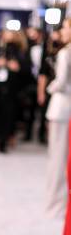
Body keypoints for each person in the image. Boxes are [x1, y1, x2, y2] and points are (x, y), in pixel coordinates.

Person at [45, 17, 71, 218]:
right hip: (66, 111)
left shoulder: (65, 53)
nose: (62, 30)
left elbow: (61, 82)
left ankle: (56, 206)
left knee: (57, 159)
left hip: (61, 109)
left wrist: (49, 87)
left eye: (65, 27)